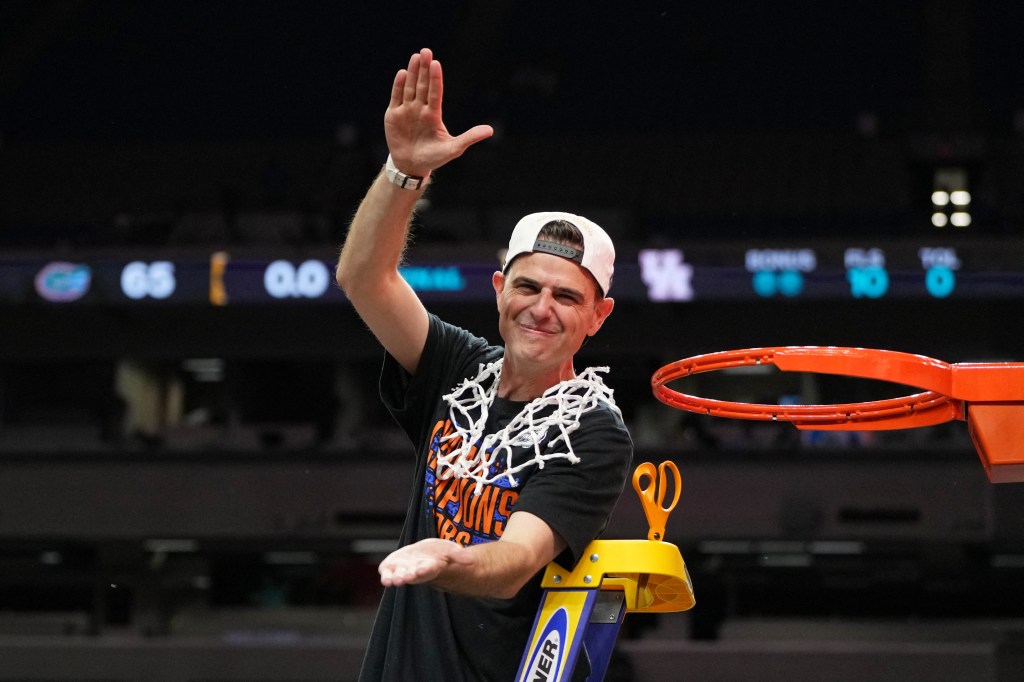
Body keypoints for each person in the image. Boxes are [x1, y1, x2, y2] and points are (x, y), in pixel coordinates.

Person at [335, 47, 633, 682]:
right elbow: (363, 278)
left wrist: (452, 561)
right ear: (500, 289)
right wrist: (403, 172)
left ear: (598, 316)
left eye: (567, 297)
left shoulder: (594, 432)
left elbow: (514, 562)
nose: (541, 309)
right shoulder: (457, 368)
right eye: (527, 287)